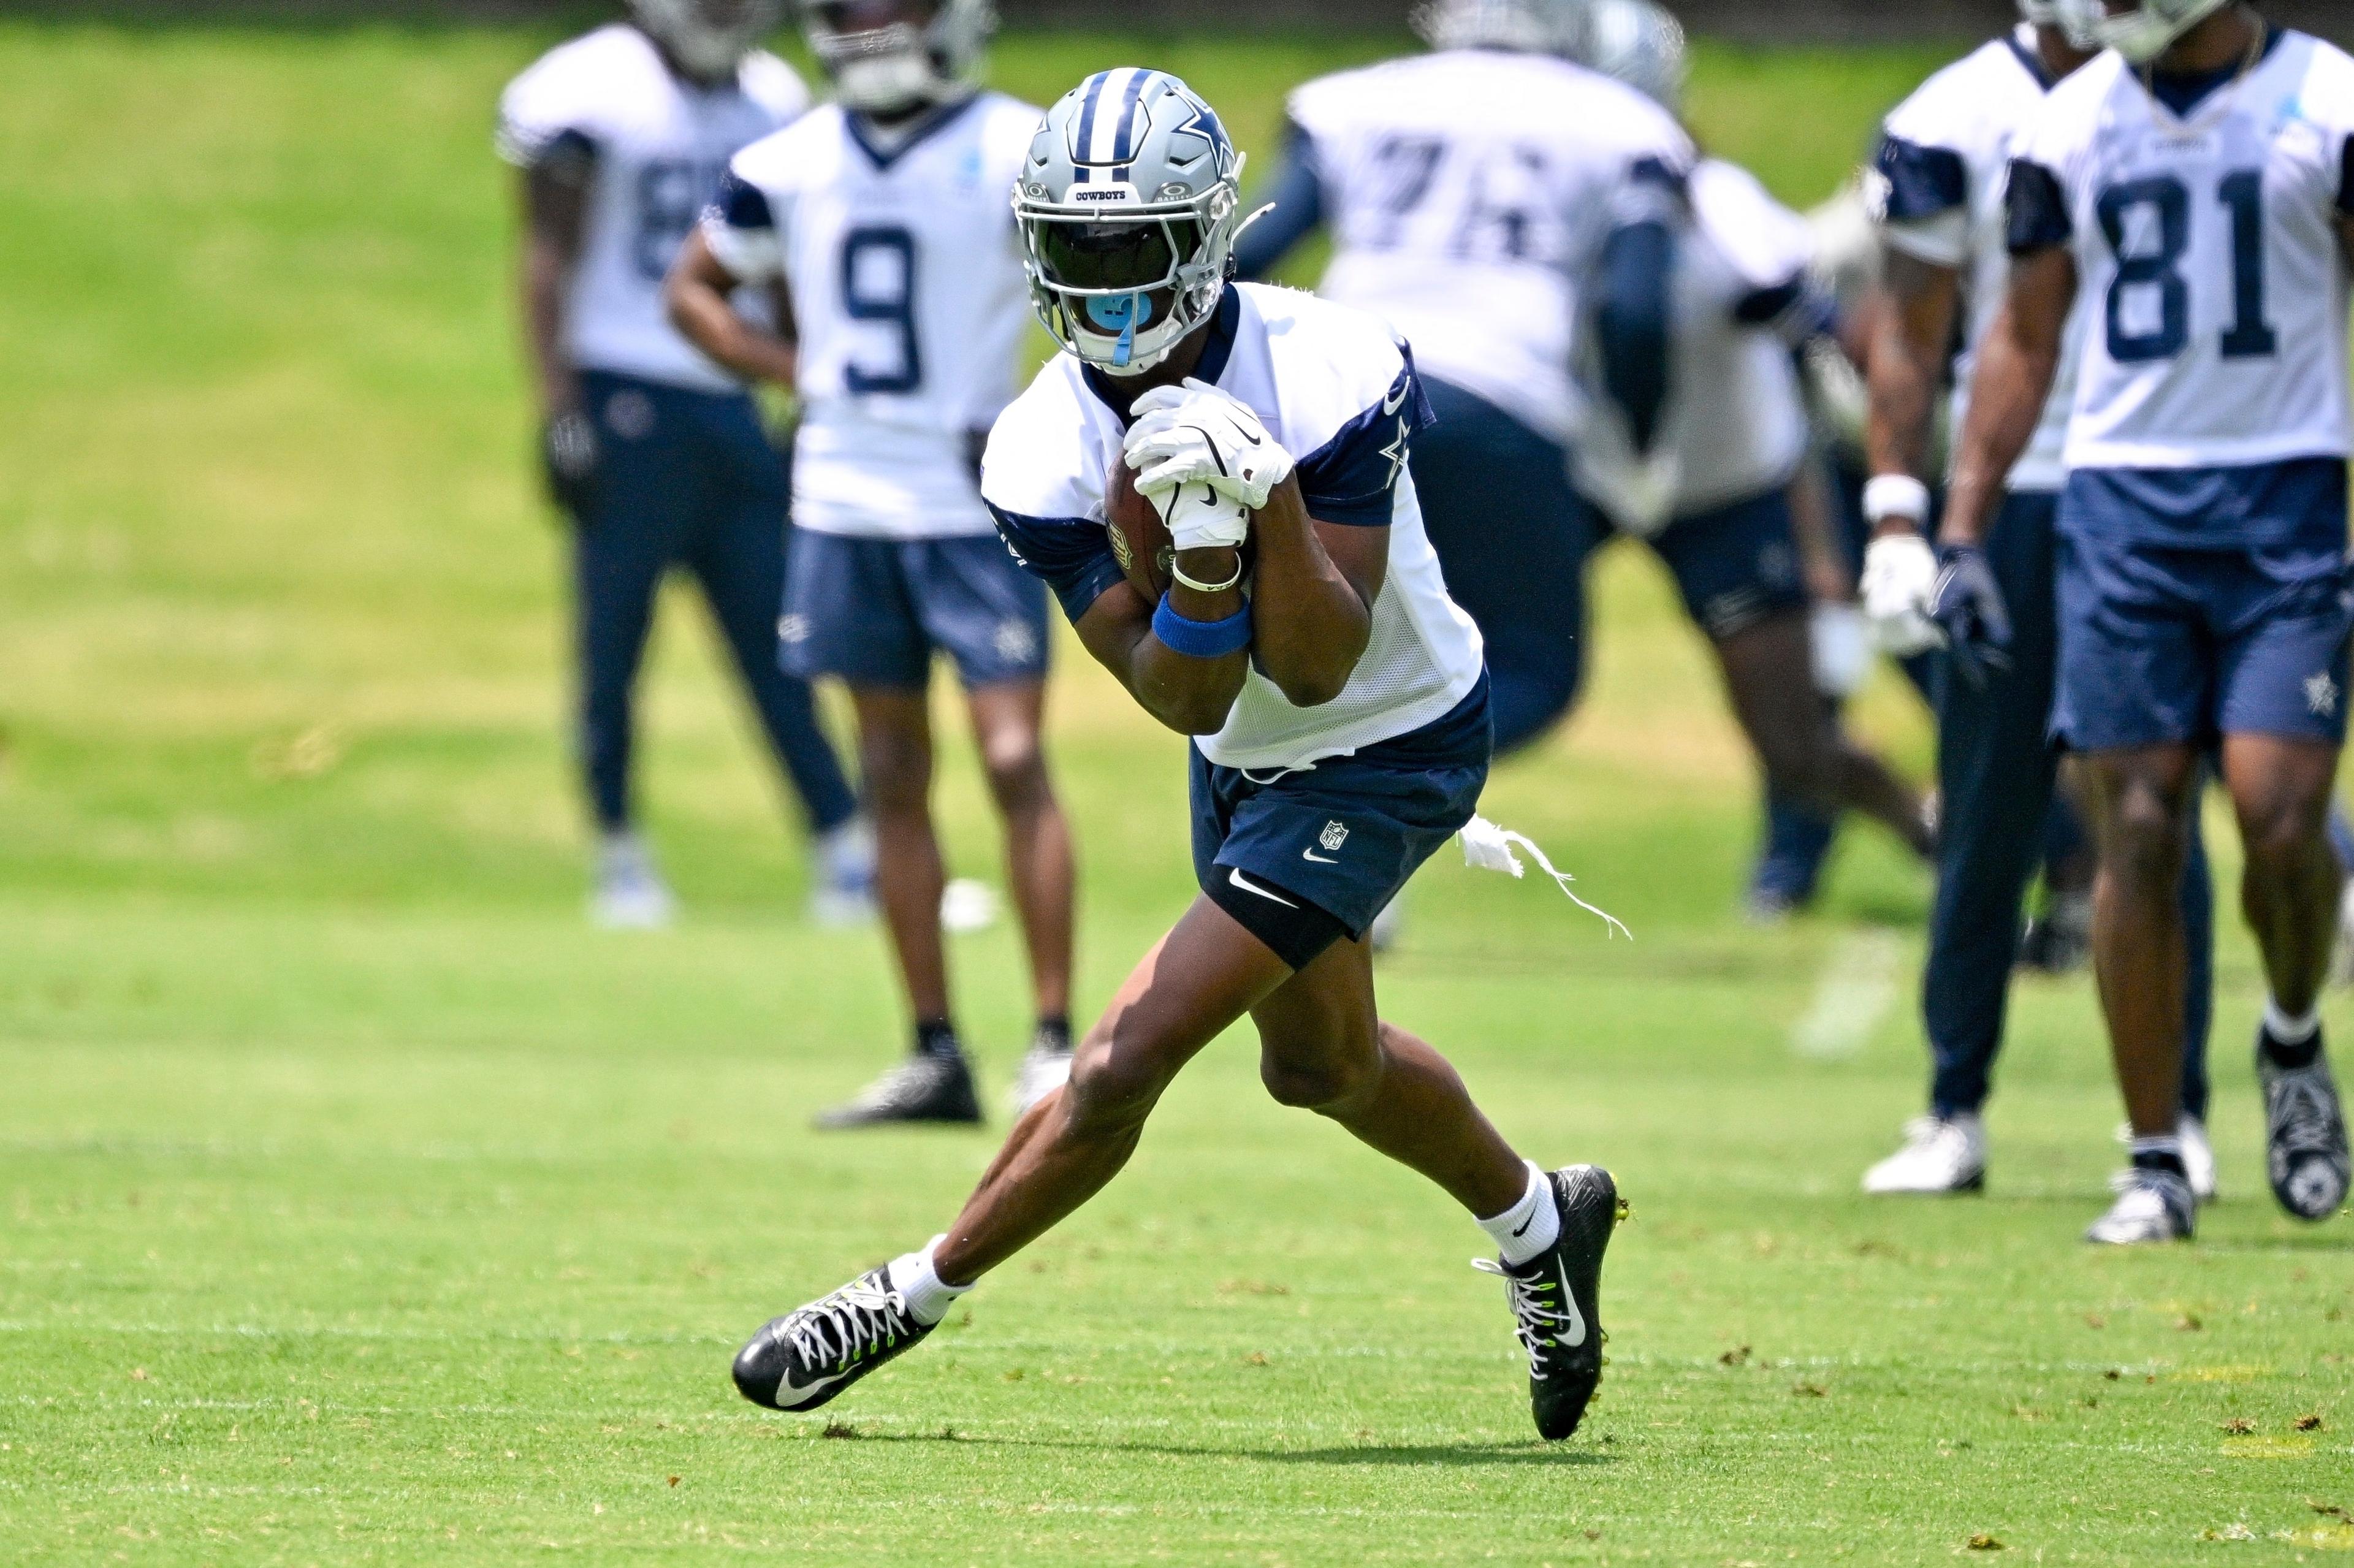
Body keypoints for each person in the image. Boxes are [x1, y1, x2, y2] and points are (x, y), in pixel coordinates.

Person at [726, 69, 1623, 1442]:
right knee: (1324, 1070)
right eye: (1075, 250)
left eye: (1132, 247)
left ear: (1204, 237)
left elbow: (1323, 656)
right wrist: (1200, 562)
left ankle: (906, 1294)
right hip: (1248, 756)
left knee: (1119, 1061)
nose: (1106, 287)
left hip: (1392, 739)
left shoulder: (1333, 363)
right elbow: (1188, 697)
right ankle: (1540, 1220)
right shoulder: (1034, 445)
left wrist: (1259, 502)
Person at [1233, 0, 1930, 904]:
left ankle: (1303, 819)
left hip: (1358, 396)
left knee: (1348, 643)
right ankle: (1344, 820)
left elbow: (1251, 252)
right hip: (1532, 427)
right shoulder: (1617, 131)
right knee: (1528, 666)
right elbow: (1641, 313)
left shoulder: (1361, 98)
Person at [1937, 0, 2352, 1241]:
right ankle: (2157, 1155)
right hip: (2125, 502)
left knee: (2280, 816)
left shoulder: (2328, 99)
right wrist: (1961, 518)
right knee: (2134, 820)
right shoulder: (2068, 125)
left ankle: (2289, 1035)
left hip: (2286, 495)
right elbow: (2023, 332)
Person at [667, 0, 1078, 1122]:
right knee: (890, 769)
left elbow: (1103, 287)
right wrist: (792, 367)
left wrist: (1054, 414)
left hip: (975, 493)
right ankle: (934, 1047)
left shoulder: (1017, 147)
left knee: (1011, 755)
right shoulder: (785, 160)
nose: (869, 23)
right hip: (845, 493)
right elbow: (693, 286)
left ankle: (1052, 1036)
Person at [1853, 0, 2223, 1200]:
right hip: (2008, 488)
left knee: (2153, 802)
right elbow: (1908, 337)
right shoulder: (1953, 115)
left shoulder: (2213, 95)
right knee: (1989, 798)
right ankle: (1954, 1102)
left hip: (2161, 476)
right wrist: (1899, 513)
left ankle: (2184, 1112)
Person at [498, 0, 871, 929]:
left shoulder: (772, 97)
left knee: (780, 634)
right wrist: (559, 411)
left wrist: (800, 383)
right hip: (622, 388)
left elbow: (789, 264)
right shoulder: (588, 88)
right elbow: (546, 254)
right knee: (615, 641)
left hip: (728, 394)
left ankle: (843, 848)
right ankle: (618, 847)